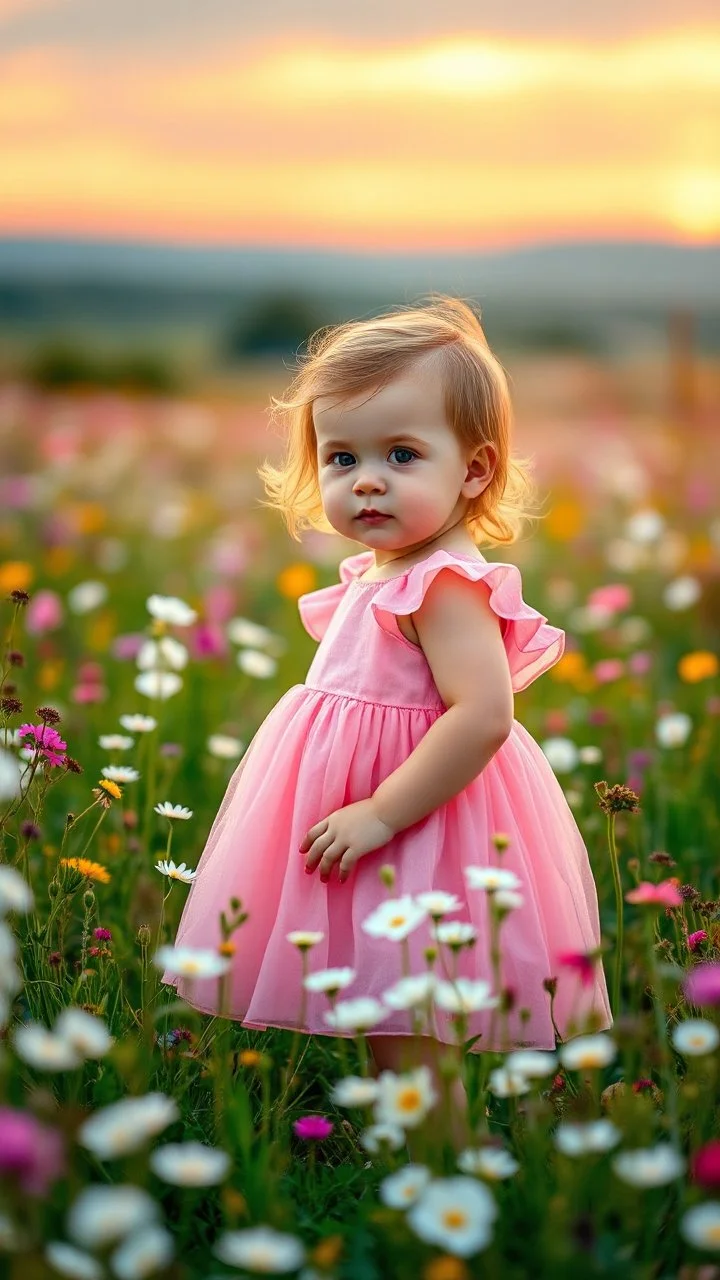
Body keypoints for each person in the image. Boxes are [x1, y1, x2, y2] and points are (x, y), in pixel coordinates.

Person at [161, 296, 612, 1148]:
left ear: (473, 471)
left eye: (401, 454)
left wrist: (380, 813)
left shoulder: (443, 584)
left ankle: (441, 1162)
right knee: (380, 999)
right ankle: (404, 1157)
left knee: (413, 1015)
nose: (366, 479)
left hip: (421, 824)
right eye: (342, 456)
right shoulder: (380, 570)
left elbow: (482, 716)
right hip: (370, 815)